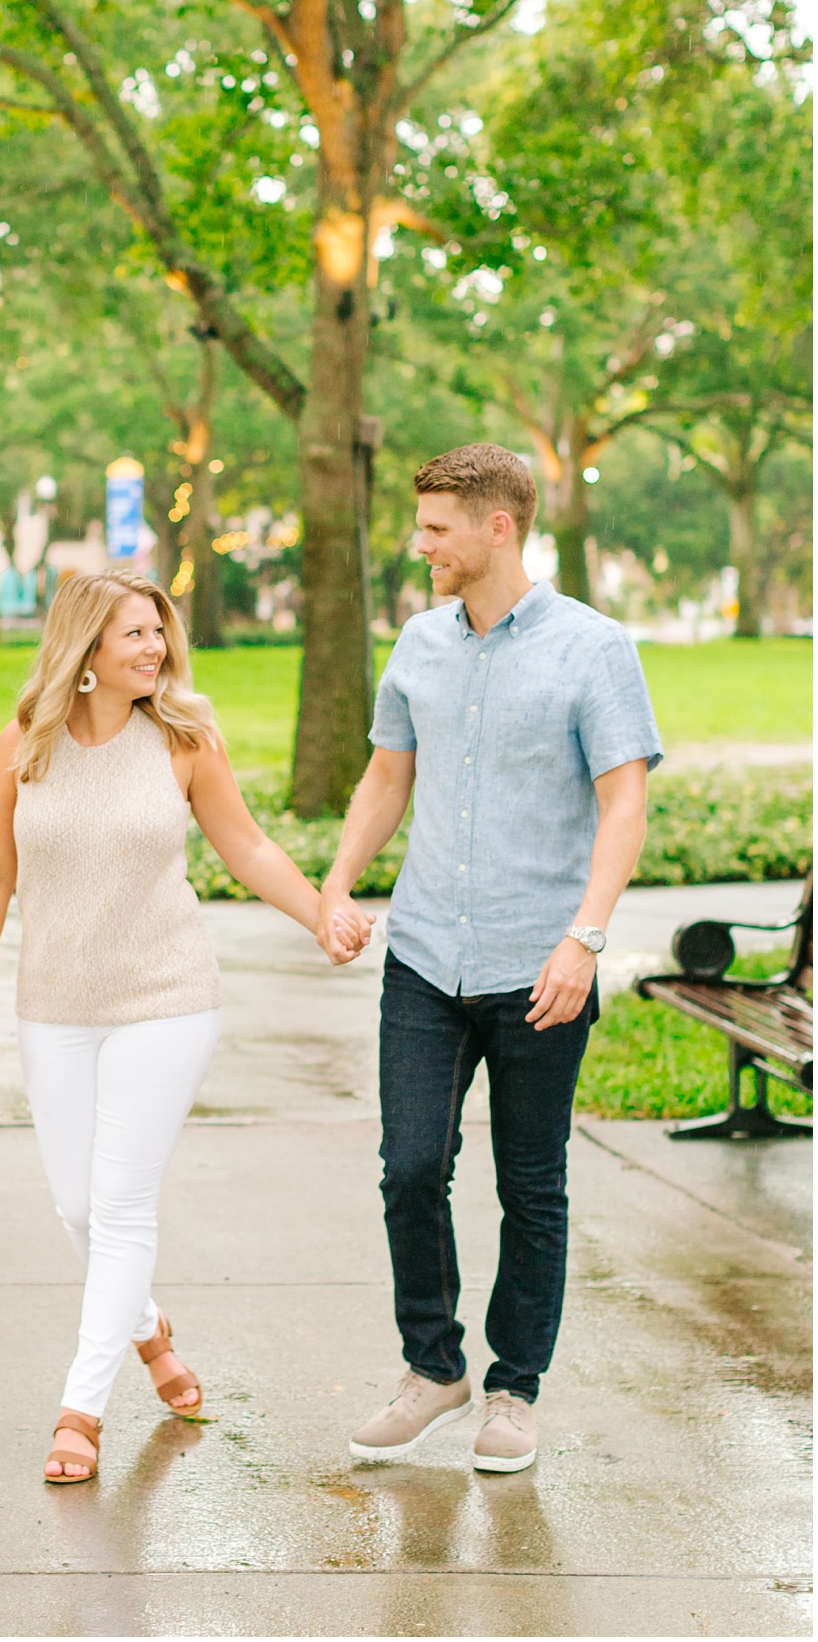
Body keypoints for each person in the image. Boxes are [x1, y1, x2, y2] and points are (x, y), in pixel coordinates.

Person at [0, 568, 363, 1484]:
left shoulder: (182, 739)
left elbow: (248, 844)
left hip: (167, 997)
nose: (155, 648)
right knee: (77, 1206)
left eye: (158, 633)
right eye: (135, 633)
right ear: (85, 649)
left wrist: (320, 913)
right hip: (55, 1002)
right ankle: (151, 1335)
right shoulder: (25, 743)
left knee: (123, 1203)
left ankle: (80, 1410)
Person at [318, 443, 660, 1475]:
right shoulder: (419, 644)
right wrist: (338, 881)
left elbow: (624, 801)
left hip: (539, 965)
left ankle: (514, 1390)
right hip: (425, 953)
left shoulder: (593, 649)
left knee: (532, 1182)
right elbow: (387, 775)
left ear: (496, 526)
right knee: (410, 1166)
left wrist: (584, 937)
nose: (419, 545)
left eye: (434, 528)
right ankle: (434, 1369)